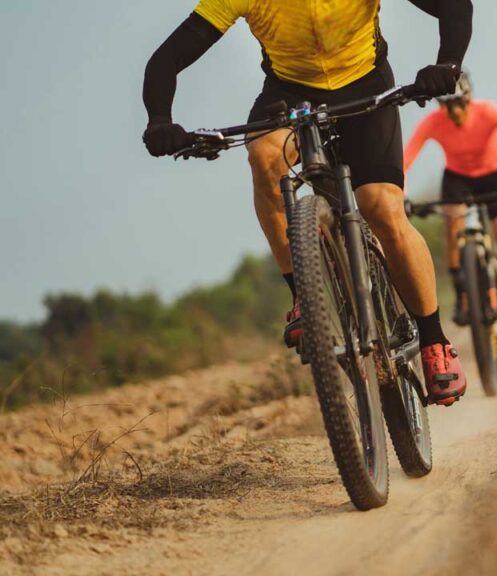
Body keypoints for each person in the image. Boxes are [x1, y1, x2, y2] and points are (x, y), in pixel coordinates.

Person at [140, 0, 473, 407]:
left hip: (365, 83)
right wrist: (159, 119)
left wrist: (449, 64)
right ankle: (303, 296)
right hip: (289, 93)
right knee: (264, 159)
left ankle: (434, 341)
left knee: (382, 208)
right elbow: (167, 58)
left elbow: (455, 7)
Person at [404, 72, 497, 346]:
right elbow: (404, 160)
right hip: (458, 179)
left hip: (495, 175)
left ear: (469, 99)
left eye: (459, 104)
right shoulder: (432, 122)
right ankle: (462, 295)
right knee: (453, 224)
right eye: (447, 106)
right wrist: (404, 195)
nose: (454, 112)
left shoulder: (489, 111)